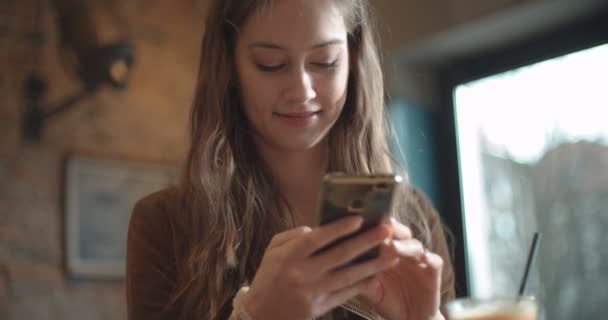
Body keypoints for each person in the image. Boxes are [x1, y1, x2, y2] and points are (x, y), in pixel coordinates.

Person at [126, 0, 455, 319]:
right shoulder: (166, 224)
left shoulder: (415, 219)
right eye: (270, 64)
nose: (302, 91)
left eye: (325, 61)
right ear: (229, 67)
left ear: (353, 59)